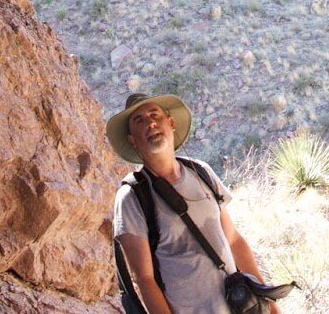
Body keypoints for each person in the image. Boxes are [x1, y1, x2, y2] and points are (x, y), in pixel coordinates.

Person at [109, 93, 282, 314]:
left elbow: (234, 240)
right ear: (132, 139)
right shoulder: (132, 198)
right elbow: (144, 279)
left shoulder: (201, 172)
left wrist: (270, 303)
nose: (150, 123)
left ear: (170, 123)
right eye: (139, 120)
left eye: (155, 115)